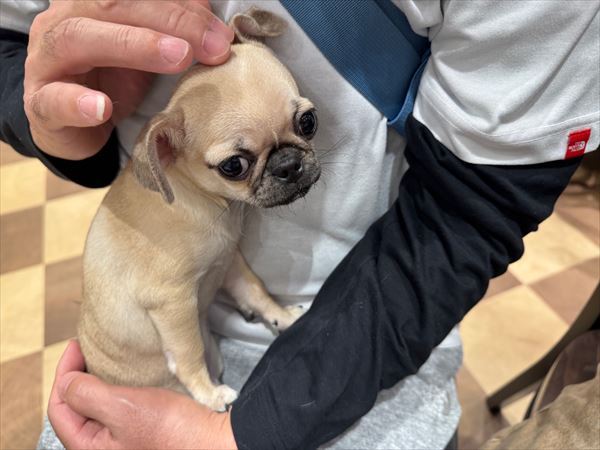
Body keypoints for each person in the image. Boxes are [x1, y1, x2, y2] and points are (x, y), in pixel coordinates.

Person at [1, 1, 598, 449]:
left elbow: (472, 211)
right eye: (237, 165)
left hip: (375, 327)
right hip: (157, 359)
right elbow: (9, 44)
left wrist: (243, 435)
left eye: (304, 126)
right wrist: (59, 122)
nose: (288, 165)